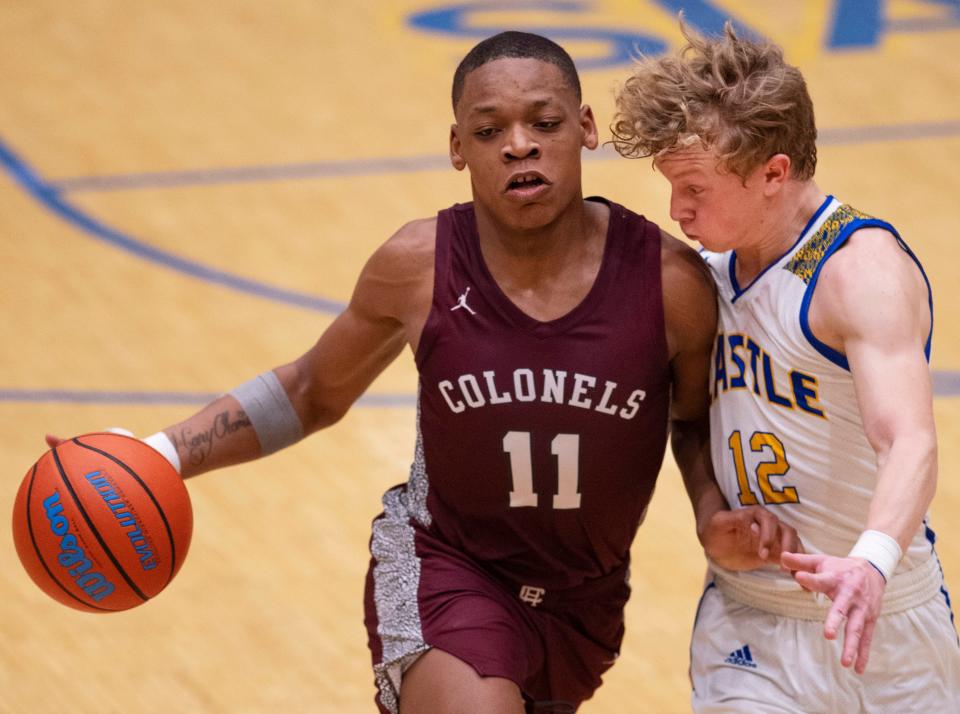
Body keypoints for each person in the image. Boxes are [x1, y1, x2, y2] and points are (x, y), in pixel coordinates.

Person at [49, 32, 797, 713]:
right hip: (448, 568)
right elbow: (311, 390)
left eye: (543, 123)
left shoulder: (668, 282)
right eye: (488, 130)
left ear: (587, 128)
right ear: (456, 147)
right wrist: (161, 454)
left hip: (584, 604)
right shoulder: (417, 266)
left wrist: (709, 514)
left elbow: (692, 421)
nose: (518, 146)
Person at [611, 21, 960, 712]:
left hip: (885, 615)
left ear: (774, 173)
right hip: (750, 624)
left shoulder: (859, 272)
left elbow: (911, 440)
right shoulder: (698, 276)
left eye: (695, 189)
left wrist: (870, 561)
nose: (677, 210)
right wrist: (712, 515)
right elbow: (685, 423)